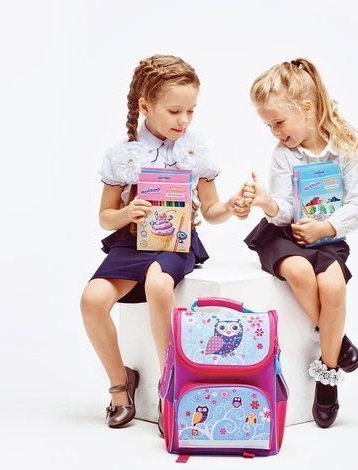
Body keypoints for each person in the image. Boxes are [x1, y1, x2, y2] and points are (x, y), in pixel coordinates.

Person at [80, 55, 249, 431]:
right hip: (131, 242)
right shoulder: (122, 154)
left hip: (176, 242)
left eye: (191, 110)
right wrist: (128, 212)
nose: (184, 120)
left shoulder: (196, 149)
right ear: (145, 106)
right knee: (92, 299)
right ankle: (120, 386)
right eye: (174, 111)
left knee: (159, 283)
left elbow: (211, 209)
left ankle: (169, 385)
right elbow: (105, 217)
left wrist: (231, 207)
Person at [242, 58, 358, 428]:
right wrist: (267, 203)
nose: (275, 132)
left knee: (333, 287)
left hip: (327, 238)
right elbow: (284, 210)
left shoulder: (343, 150)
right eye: (268, 125)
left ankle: (327, 378)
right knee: (298, 271)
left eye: (279, 122)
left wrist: (325, 227)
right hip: (286, 236)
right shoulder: (283, 154)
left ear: (307, 108)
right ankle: (339, 342)